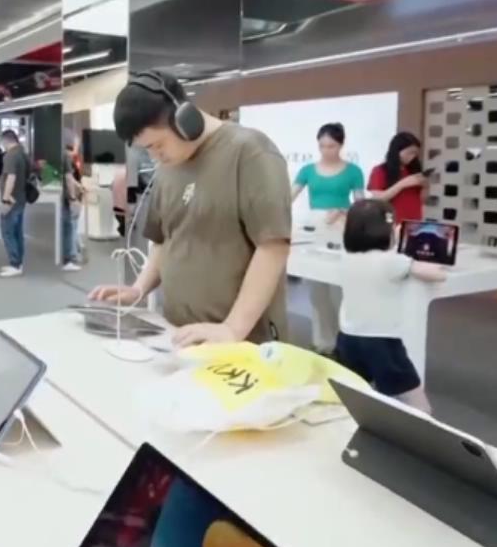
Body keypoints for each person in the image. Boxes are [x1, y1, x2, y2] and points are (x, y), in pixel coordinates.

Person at [88, 72, 292, 347]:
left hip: (241, 343)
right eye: (147, 149)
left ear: (185, 119)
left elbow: (273, 247)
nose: (155, 156)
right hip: (179, 334)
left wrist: (232, 329)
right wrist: (138, 289)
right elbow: (165, 240)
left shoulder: (250, 152)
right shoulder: (168, 168)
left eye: (157, 145)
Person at [336, 199, 446, 413]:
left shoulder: (345, 257)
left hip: (348, 339)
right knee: (419, 407)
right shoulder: (392, 261)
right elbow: (436, 274)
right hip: (382, 344)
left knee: (357, 395)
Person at [290, 122, 366, 355]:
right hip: (315, 228)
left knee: (338, 289)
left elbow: (361, 205)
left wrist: (343, 210)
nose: (326, 150)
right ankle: (322, 342)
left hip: (341, 227)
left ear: (341, 145)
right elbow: (289, 197)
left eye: (331, 146)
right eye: (322, 146)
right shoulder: (308, 170)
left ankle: (344, 342)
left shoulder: (353, 171)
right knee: (317, 290)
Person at [367, 131, 427, 225]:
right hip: (391, 221)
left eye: (415, 154)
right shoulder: (380, 170)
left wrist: (426, 186)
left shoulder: (414, 170)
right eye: (409, 153)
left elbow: (423, 200)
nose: (412, 157)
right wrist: (403, 184)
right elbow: (377, 199)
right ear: (397, 150)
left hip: (414, 221)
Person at [0, 129, 31, 277]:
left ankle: (14, 264)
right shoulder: (23, 154)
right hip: (21, 199)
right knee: (17, 232)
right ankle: (18, 263)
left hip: (11, 201)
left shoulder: (10, 156)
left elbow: (11, 177)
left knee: (7, 232)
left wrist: (5, 198)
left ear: (5, 141)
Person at [61, 131, 85, 271]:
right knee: (69, 227)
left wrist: (78, 186)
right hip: (67, 198)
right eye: (76, 145)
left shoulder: (69, 159)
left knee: (71, 227)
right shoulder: (66, 157)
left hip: (64, 196)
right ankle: (70, 257)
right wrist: (73, 199)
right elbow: (68, 177)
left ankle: (73, 253)